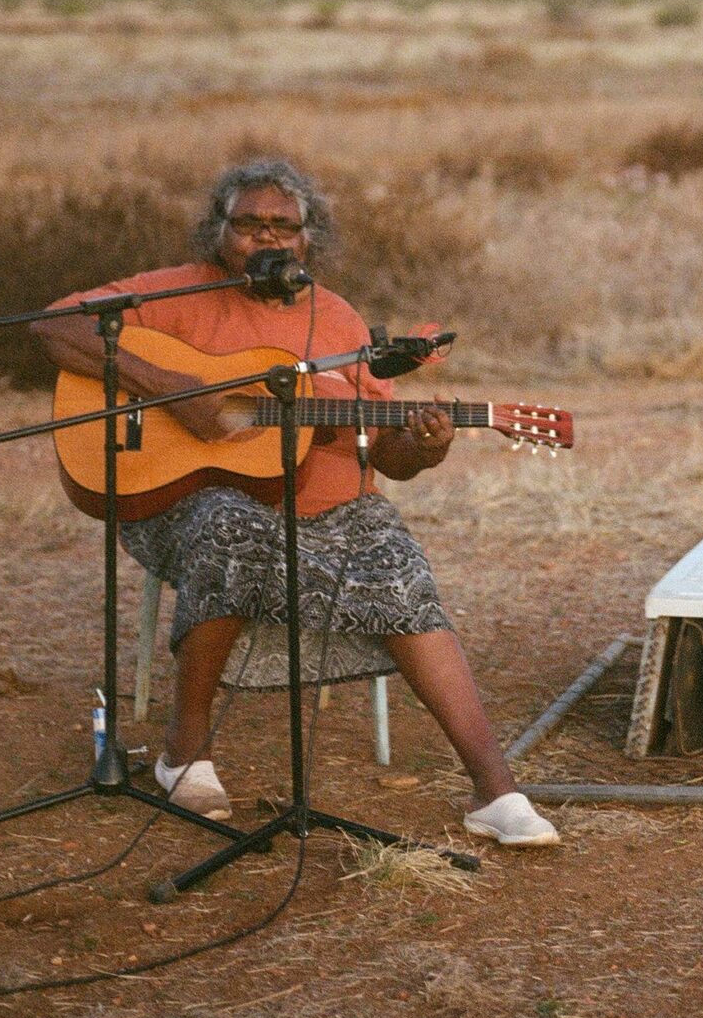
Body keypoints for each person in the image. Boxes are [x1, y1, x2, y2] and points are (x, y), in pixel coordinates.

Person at [32, 157, 560, 847]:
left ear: (310, 239)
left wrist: (426, 447)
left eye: (283, 226)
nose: (267, 238)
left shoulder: (337, 319)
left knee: (399, 564)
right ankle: (182, 753)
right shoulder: (175, 292)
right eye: (249, 224)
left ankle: (495, 791)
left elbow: (386, 452)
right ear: (218, 231)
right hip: (182, 498)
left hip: (328, 507)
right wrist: (170, 387)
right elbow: (53, 326)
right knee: (229, 527)